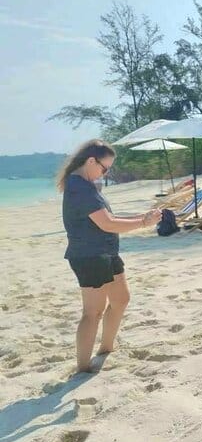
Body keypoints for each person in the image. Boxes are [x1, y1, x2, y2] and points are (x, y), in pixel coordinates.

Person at [58, 139, 162, 373]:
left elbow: (108, 219)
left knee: (121, 299)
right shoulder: (79, 187)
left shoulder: (86, 185)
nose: (104, 174)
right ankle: (83, 367)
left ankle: (105, 349)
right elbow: (107, 223)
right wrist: (143, 223)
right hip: (89, 256)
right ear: (91, 161)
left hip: (105, 252)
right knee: (92, 312)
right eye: (104, 169)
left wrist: (142, 218)